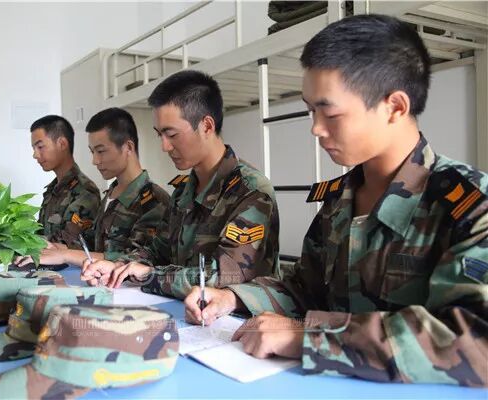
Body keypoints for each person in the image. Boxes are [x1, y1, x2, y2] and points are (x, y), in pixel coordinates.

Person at [184, 14, 487, 387]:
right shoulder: (339, 200)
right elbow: (304, 288)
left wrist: (309, 338)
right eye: (311, 110)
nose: (315, 128)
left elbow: (475, 339)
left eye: (329, 112)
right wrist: (232, 297)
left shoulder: (469, 204)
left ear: (395, 107)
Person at [82, 70, 280, 299]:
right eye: (160, 135)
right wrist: (119, 267)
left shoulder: (250, 191)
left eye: (172, 134)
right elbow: (156, 251)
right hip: (182, 311)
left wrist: (150, 275)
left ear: (206, 126)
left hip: (234, 319)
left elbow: (226, 276)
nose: (164, 146)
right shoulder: (183, 193)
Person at [16, 108, 169, 268]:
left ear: (128, 147)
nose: (95, 161)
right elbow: (89, 245)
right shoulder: (111, 196)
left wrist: (65, 255)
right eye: (92, 152)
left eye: (101, 151)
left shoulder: (154, 201)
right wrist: (54, 248)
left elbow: (138, 260)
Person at [30, 115, 101, 249]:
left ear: (62, 144)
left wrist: (26, 243)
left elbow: (69, 243)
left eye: (40, 147)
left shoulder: (85, 191)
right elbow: (40, 232)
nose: (35, 155)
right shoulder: (52, 190)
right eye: (34, 149)